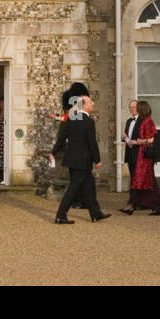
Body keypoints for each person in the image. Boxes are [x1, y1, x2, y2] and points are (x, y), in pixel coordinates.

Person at [52, 94, 109, 224]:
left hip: (73, 160)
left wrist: (53, 152)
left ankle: (96, 213)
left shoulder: (71, 118)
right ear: (84, 105)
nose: (93, 103)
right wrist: (97, 159)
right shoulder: (88, 121)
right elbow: (91, 142)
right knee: (73, 189)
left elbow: (61, 138)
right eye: (90, 102)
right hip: (82, 161)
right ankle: (60, 215)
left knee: (89, 186)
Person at [122, 100, 160, 215]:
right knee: (139, 181)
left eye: (137, 107)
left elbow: (153, 138)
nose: (134, 110)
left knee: (148, 182)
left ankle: (154, 207)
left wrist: (140, 141)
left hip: (144, 156)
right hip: (140, 155)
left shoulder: (148, 121)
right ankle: (132, 205)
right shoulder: (144, 121)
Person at [122, 98, 141, 186]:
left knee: (139, 176)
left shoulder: (142, 121)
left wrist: (132, 140)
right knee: (132, 175)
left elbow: (142, 137)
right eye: (130, 107)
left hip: (139, 152)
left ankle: (138, 196)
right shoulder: (129, 121)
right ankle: (133, 195)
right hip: (130, 152)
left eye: (134, 107)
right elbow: (127, 137)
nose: (132, 109)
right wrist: (124, 137)